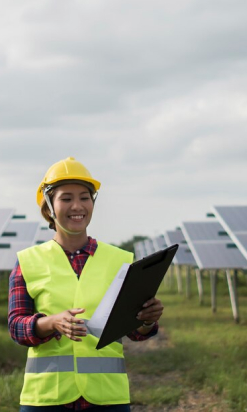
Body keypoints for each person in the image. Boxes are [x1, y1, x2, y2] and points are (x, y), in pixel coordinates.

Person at [9, 157, 164, 411]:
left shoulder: (121, 261)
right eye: (66, 198)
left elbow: (135, 332)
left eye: (85, 197)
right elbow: (16, 327)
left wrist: (147, 320)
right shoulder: (27, 262)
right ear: (49, 206)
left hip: (107, 398)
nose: (77, 206)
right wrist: (51, 322)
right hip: (47, 398)